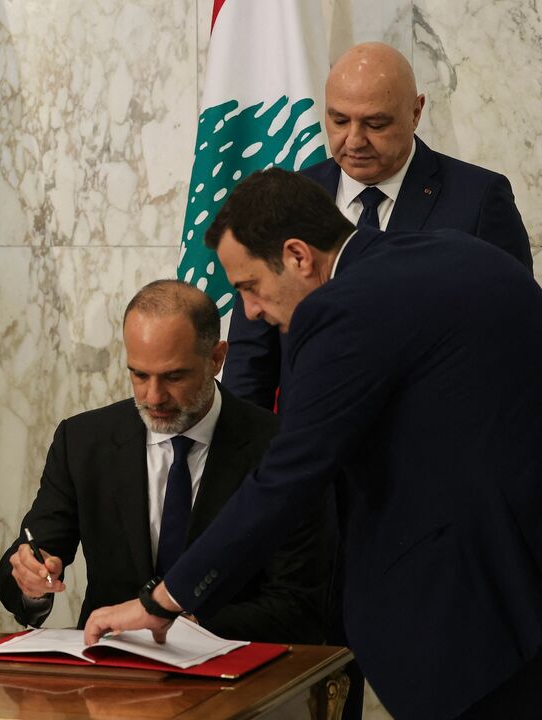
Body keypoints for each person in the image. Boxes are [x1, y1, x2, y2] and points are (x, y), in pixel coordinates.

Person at [84, 168, 542, 720]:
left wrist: (164, 599)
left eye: (249, 286)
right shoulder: (463, 254)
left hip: (468, 619)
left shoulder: (340, 309)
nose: (250, 311)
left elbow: (289, 476)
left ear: (299, 255)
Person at [0, 280, 325, 643]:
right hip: (109, 672)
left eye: (173, 376)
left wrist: (177, 622)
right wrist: (31, 581)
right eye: (139, 374)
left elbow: (300, 605)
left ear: (217, 358)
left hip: (233, 675)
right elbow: (31, 559)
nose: (153, 397)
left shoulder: (280, 448)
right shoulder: (83, 441)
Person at [224, 41, 532, 410]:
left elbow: (514, 342)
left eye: (376, 123)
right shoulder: (286, 202)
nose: (354, 141)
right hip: (313, 450)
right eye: (339, 120)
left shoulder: (479, 200)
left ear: (416, 112)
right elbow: (250, 359)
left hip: (432, 452)